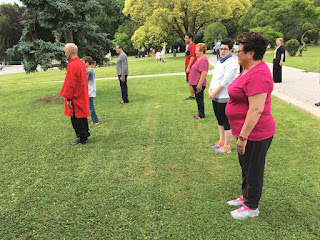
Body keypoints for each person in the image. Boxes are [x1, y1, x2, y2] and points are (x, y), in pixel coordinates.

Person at [225, 32, 275, 219]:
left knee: (253, 170)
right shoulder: (248, 69)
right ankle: (246, 196)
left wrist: (243, 137)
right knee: (246, 167)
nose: (236, 53)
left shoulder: (259, 74)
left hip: (256, 133)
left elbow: (256, 110)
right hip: (245, 132)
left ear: (251, 54)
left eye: (239, 50)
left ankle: (252, 207)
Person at [208, 38, 238, 153]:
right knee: (219, 120)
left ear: (230, 50)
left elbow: (226, 81)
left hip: (224, 97)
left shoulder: (231, 63)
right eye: (221, 49)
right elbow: (215, 77)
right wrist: (211, 90)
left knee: (226, 122)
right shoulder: (220, 61)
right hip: (215, 96)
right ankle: (221, 140)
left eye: (225, 49)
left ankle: (227, 146)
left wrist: (214, 93)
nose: (222, 51)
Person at [60, 43, 90, 145]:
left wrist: (68, 98)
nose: (65, 54)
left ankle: (82, 138)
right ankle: (85, 135)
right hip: (81, 93)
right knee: (82, 117)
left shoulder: (72, 65)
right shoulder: (81, 63)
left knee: (76, 118)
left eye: (65, 52)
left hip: (76, 96)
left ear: (69, 52)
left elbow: (70, 82)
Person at [188, 43, 209, 119]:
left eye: (196, 51)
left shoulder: (203, 60)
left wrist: (199, 84)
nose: (195, 52)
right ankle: (200, 113)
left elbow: (204, 72)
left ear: (202, 51)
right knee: (198, 99)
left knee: (199, 99)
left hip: (198, 84)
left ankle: (201, 114)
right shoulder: (200, 59)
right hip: (196, 83)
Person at [83, 56, 99, 125]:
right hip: (90, 91)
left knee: (91, 106)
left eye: (84, 62)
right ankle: (94, 119)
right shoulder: (90, 71)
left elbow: (84, 81)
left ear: (87, 63)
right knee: (90, 105)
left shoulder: (89, 72)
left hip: (89, 91)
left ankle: (95, 120)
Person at [184, 32, 197, 100]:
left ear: (190, 39)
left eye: (186, 38)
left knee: (191, 82)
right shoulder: (189, 46)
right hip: (188, 67)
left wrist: (189, 67)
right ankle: (192, 95)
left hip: (191, 67)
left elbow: (192, 57)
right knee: (190, 82)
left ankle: (192, 96)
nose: (185, 39)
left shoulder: (192, 46)